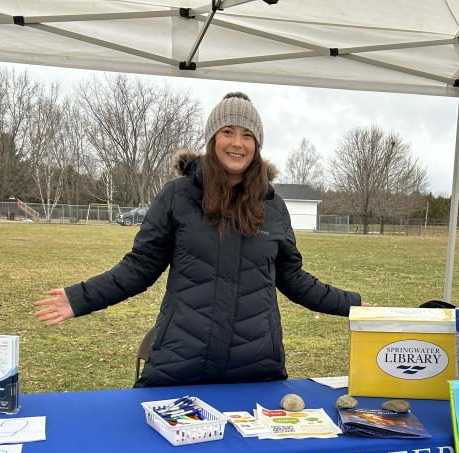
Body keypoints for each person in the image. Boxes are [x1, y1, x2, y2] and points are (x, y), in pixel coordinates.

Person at [35, 92, 362, 387]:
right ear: (212, 138)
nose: (238, 143)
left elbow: (295, 280)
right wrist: (81, 298)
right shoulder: (178, 196)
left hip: (256, 369)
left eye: (248, 135)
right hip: (179, 365)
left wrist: (356, 306)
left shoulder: (273, 206)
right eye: (228, 132)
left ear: (257, 145)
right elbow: (140, 267)